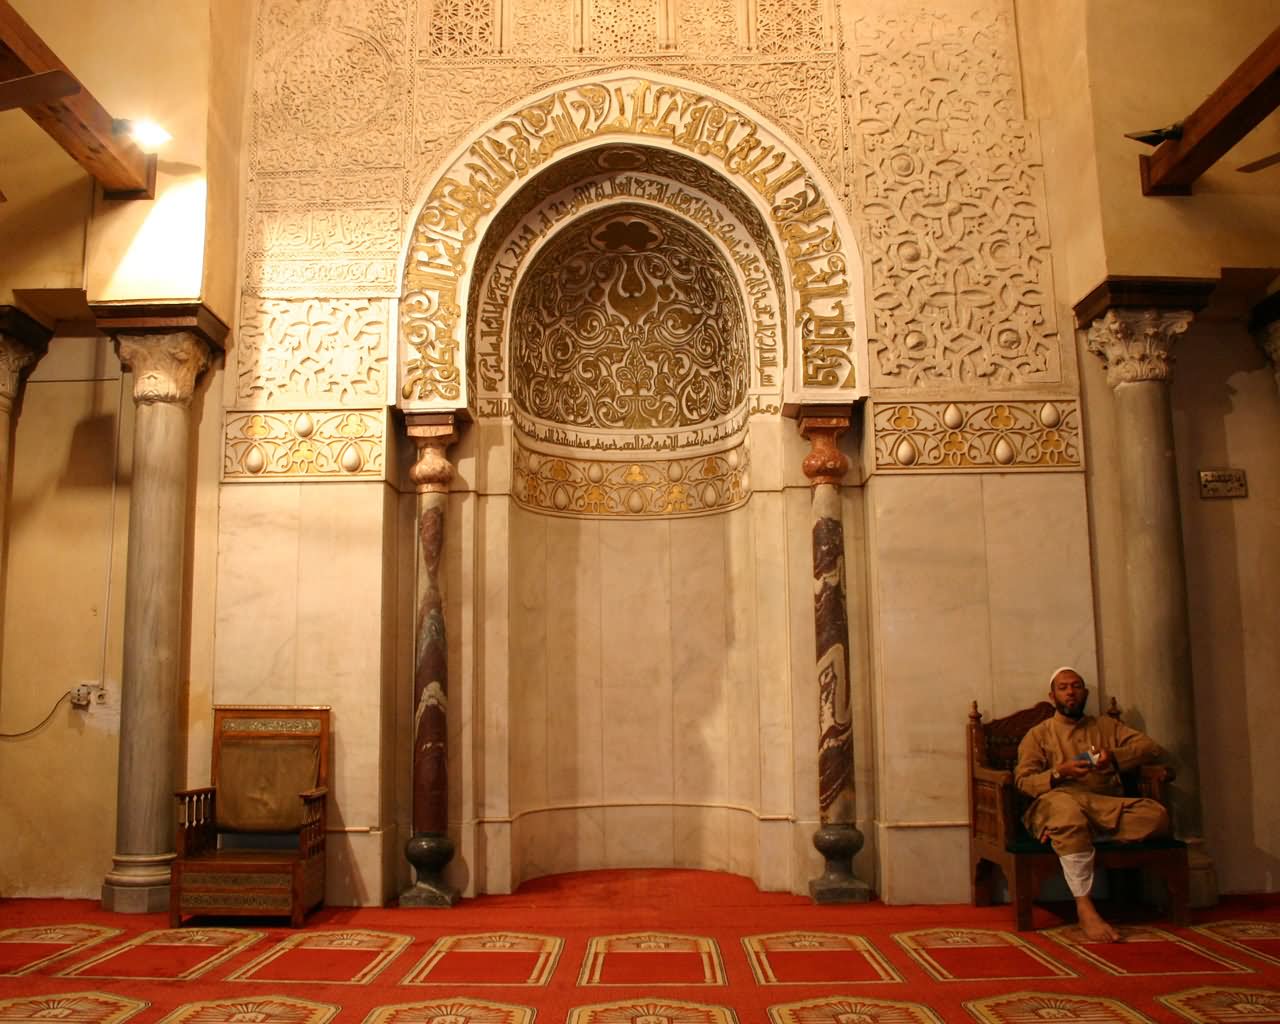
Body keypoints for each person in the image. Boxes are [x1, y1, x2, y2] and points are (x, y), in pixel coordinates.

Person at [1014, 666, 1171, 942]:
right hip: (1057, 800)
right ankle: (1085, 907)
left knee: (1156, 816)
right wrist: (1060, 771)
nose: (1070, 692)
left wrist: (1113, 756)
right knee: (1068, 815)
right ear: (1052, 696)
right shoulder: (1039, 734)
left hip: (1103, 805)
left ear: (1084, 692)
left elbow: (1150, 748)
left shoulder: (1105, 727)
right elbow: (1024, 782)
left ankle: (1077, 834)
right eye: (1063, 688)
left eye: (1076, 686)